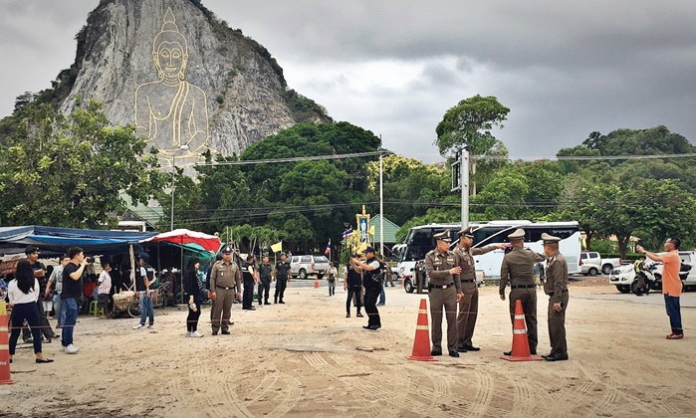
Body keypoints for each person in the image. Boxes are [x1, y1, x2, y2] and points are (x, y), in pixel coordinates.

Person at [454, 227, 507, 353]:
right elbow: (455, 273)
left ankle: (467, 341)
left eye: (472, 238)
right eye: (469, 238)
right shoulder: (456, 252)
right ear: (462, 238)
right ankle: (458, 342)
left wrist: (496, 246)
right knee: (463, 315)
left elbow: (482, 250)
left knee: (472, 314)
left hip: (473, 285)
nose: (471, 240)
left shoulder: (469, 251)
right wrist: (458, 290)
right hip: (464, 286)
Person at [499, 228, 544, 356]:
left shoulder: (508, 257)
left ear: (512, 243)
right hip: (531, 290)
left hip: (517, 291)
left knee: (516, 319)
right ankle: (532, 347)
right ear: (522, 242)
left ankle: (518, 345)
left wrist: (501, 291)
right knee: (531, 319)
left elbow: (504, 276)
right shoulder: (530, 254)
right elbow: (542, 257)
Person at [424, 230, 463, 357]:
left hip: (450, 290)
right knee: (436, 320)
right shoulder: (430, 256)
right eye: (446, 242)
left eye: (449, 242)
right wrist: (449, 272)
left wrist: (459, 290)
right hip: (436, 291)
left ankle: (453, 348)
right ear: (439, 243)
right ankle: (436, 347)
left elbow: (456, 274)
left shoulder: (453, 256)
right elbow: (431, 274)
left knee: (452, 320)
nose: (449, 244)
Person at [637, 237, 684, 339]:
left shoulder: (672, 255)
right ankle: (676, 330)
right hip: (671, 286)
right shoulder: (671, 254)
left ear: (672, 245)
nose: (664, 243)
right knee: (671, 310)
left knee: (673, 310)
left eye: (666, 242)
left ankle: (678, 332)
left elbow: (656, 258)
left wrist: (643, 251)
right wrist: (644, 250)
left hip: (672, 286)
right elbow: (656, 255)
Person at [7, 260, 53, 364]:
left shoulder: (12, 283)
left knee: (15, 332)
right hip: (31, 306)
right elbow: (36, 295)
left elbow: (10, 298)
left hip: (18, 307)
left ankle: (10, 356)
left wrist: (15, 302)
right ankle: (39, 355)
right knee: (36, 332)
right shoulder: (34, 281)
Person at [540, 233, 570, 361]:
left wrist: (557, 300)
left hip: (558, 295)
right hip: (554, 295)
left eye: (545, 247)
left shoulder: (558, 261)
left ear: (548, 248)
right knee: (553, 323)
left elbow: (558, 282)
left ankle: (560, 352)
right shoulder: (553, 259)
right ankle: (555, 349)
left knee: (557, 324)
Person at [62, 246, 89, 354]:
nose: (83, 257)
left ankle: (65, 342)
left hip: (76, 297)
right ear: (77, 255)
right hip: (69, 297)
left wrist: (82, 266)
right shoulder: (70, 266)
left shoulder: (77, 266)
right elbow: (75, 277)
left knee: (70, 320)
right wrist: (82, 265)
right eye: (82, 254)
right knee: (70, 320)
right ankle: (68, 343)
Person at [209, 246, 242, 335]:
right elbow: (212, 278)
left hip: (230, 291)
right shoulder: (217, 265)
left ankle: (225, 328)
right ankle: (215, 328)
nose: (228, 256)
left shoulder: (235, 265)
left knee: (227, 310)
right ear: (222, 255)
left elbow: (238, 279)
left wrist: (239, 291)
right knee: (217, 310)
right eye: (226, 254)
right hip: (219, 289)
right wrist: (213, 291)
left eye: (229, 254)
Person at [351, 247, 383, 330]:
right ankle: (371, 323)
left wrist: (357, 262)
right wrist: (353, 264)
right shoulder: (367, 262)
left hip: (375, 287)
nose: (365, 255)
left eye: (366, 253)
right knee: (367, 305)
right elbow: (359, 270)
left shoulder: (375, 262)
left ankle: (376, 323)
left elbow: (368, 268)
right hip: (368, 287)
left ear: (371, 253)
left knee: (370, 304)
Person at [133, 254, 157, 330]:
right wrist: (150, 283)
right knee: (150, 307)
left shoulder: (142, 268)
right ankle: (151, 322)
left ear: (142, 260)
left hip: (145, 290)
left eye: (140, 259)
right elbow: (154, 278)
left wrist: (147, 288)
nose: (139, 261)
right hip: (151, 289)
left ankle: (142, 323)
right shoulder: (151, 268)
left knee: (143, 307)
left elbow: (145, 278)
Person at [45, 255, 69, 328]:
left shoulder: (71, 269)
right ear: (61, 261)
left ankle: (63, 324)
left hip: (67, 292)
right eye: (66, 260)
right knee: (57, 308)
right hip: (58, 292)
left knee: (65, 309)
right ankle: (60, 322)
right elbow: (51, 280)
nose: (67, 262)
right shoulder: (57, 269)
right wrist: (47, 288)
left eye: (69, 260)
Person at [184, 258, 204, 338]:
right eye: (197, 262)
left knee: (192, 313)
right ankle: (193, 330)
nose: (198, 264)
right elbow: (189, 285)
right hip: (192, 296)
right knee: (196, 312)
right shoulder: (190, 273)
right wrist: (191, 297)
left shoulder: (192, 272)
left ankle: (189, 330)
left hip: (194, 295)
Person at [344, 254, 364, 318]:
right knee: (349, 298)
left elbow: (361, 275)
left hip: (358, 284)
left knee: (358, 299)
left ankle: (358, 312)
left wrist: (362, 285)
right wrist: (345, 283)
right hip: (350, 284)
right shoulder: (347, 266)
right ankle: (348, 313)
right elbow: (346, 275)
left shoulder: (359, 265)